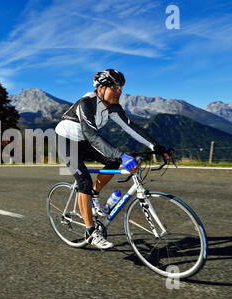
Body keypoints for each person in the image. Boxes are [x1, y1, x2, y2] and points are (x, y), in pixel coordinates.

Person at [55, 69, 170, 249]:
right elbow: (92, 136)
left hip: (85, 141)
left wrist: (156, 147)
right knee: (84, 181)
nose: (119, 92)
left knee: (113, 162)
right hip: (67, 141)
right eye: (114, 88)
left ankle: (94, 194)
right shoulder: (87, 103)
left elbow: (131, 128)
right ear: (100, 88)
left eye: (121, 88)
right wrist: (122, 155)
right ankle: (91, 232)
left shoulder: (114, 107)